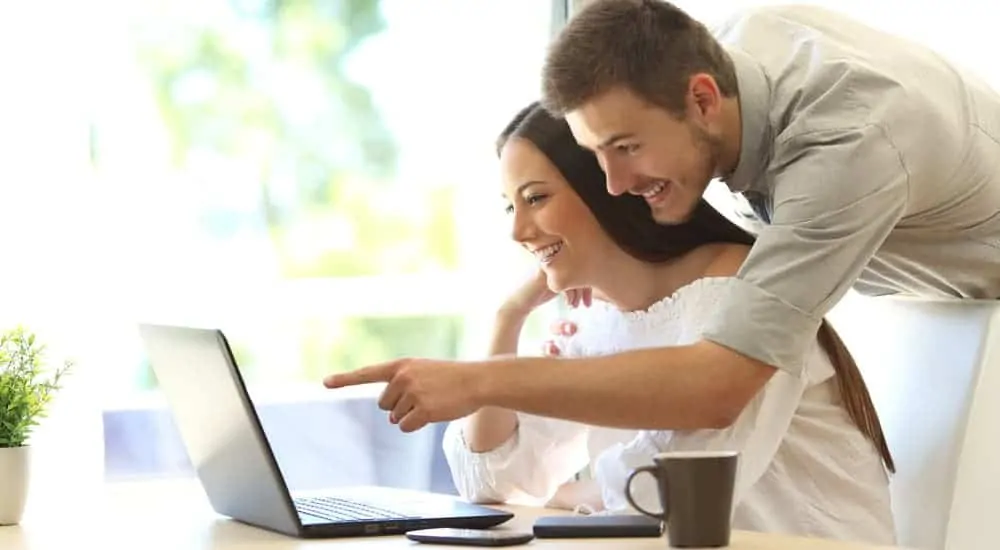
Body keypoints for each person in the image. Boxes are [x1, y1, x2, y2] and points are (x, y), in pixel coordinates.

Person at [323, 1, 999, 448]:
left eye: (626, 148)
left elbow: (714, 390)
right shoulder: (733, 53)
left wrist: (478, 379)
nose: (615, 186)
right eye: (596, 155)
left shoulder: (850, 144)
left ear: (703, 100)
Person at [440, 102, 895, 544]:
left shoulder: (737, 294)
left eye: (536, 198)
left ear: (604, 187)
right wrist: (508, 318)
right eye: (510, 207)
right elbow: (490, 486)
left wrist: (567, 494)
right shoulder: (602, 322)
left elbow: (669, 492)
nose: (518, 231)